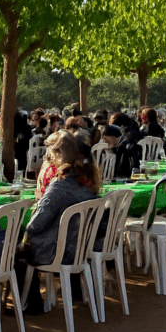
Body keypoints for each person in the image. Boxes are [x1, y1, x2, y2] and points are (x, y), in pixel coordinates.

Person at [19, 131, 103, 314]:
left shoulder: (60, 185)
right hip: (81, 249)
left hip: (57, 252)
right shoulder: (88, 182)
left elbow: (36, 225)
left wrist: (31, 219)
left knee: (14, 251)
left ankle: (30, 303)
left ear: (57, 155)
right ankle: (72, 292)